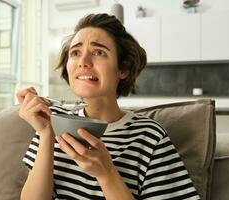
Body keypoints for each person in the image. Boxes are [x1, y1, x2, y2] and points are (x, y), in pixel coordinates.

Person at [17, 13, 200, 200]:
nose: (83, 62)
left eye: (98, 52)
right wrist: (47, 134)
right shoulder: (52, 120)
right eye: (75, 53)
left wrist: (107, 173)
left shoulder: (149, 136)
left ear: (123, 69)